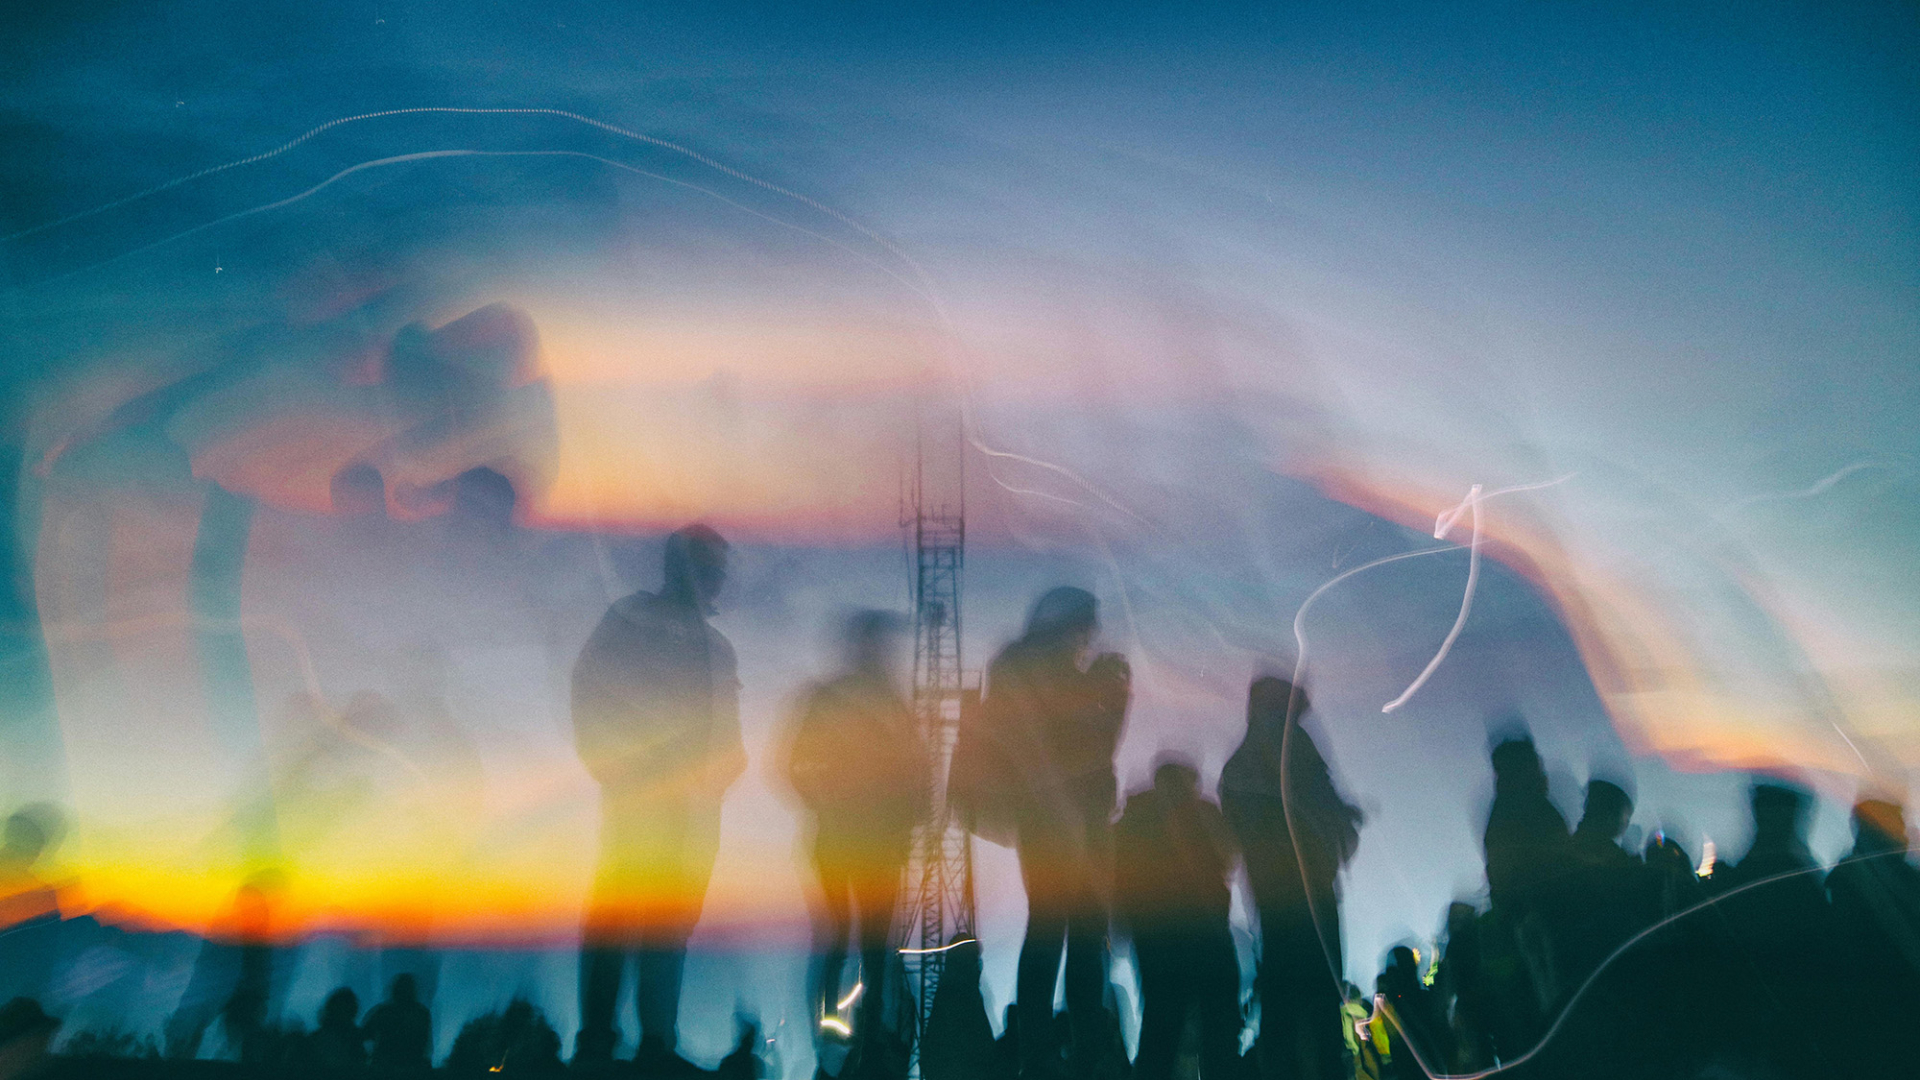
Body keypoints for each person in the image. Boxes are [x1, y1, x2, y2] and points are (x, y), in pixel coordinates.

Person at [572, 524, 746, 1066]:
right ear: (676, 565)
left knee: (669, 923)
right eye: (705, 566)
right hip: (639, 800)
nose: (714, 580)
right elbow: (590, 693)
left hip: (692, 812)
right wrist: (622, 769)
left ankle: (655, 1042)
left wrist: (721, 775)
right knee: (620, 915)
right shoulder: (630, 619)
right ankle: (599, 1040)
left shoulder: (718, 647)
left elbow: (728, 732)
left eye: (719, 568)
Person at [976, 587, 1129, 1080]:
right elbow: (1042, 748)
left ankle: (1045, 1054)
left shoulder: (1032, 668)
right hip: (1058, 817)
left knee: (1060, 930)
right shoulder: (1032, 669)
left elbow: (1092, 748)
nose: (1091, 636)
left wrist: (1112, 698)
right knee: (1068, 932)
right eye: (1087, 624)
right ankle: (1060, 1053)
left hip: (1064, 816)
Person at [781, 609, 928, 1061]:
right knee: (870, 941)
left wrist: (824, 801)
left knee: (840, 935)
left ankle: (833, 1031)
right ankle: (868, 1031)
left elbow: (794, 765)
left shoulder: (830, 697)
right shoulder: (890, 705)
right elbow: (916, 776)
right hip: (870, 839)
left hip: (843, 836)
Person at [1220, 678, 1360, 1080]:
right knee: (1317, 1003)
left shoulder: (1241, 765)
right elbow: (1323, 806)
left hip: (1274, 898)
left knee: (1285, 1002)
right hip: (1311, 894)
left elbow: (1234, 834)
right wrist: (1339, 829)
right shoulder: (1296, 749)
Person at [1113, 757, 1241, 1080]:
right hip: (1207, 930)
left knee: (1162, 1026)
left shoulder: (1135, 820)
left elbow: (1118, 879)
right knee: (1219, 1025)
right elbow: (1229, 856)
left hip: (1156, 937)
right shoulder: (1203, 813)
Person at [1823, 799, 1920, 1077]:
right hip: (1884, 1013)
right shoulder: (1857, 880)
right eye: (1896, 824)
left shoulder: (1849, 877)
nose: (1905, 832)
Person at [363, 972, 434, 1070]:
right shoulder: (422, 1013)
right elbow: (426, 1044)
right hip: (412, 1067)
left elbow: (365, 1035)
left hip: (384, 1067)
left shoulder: (383, 1012)